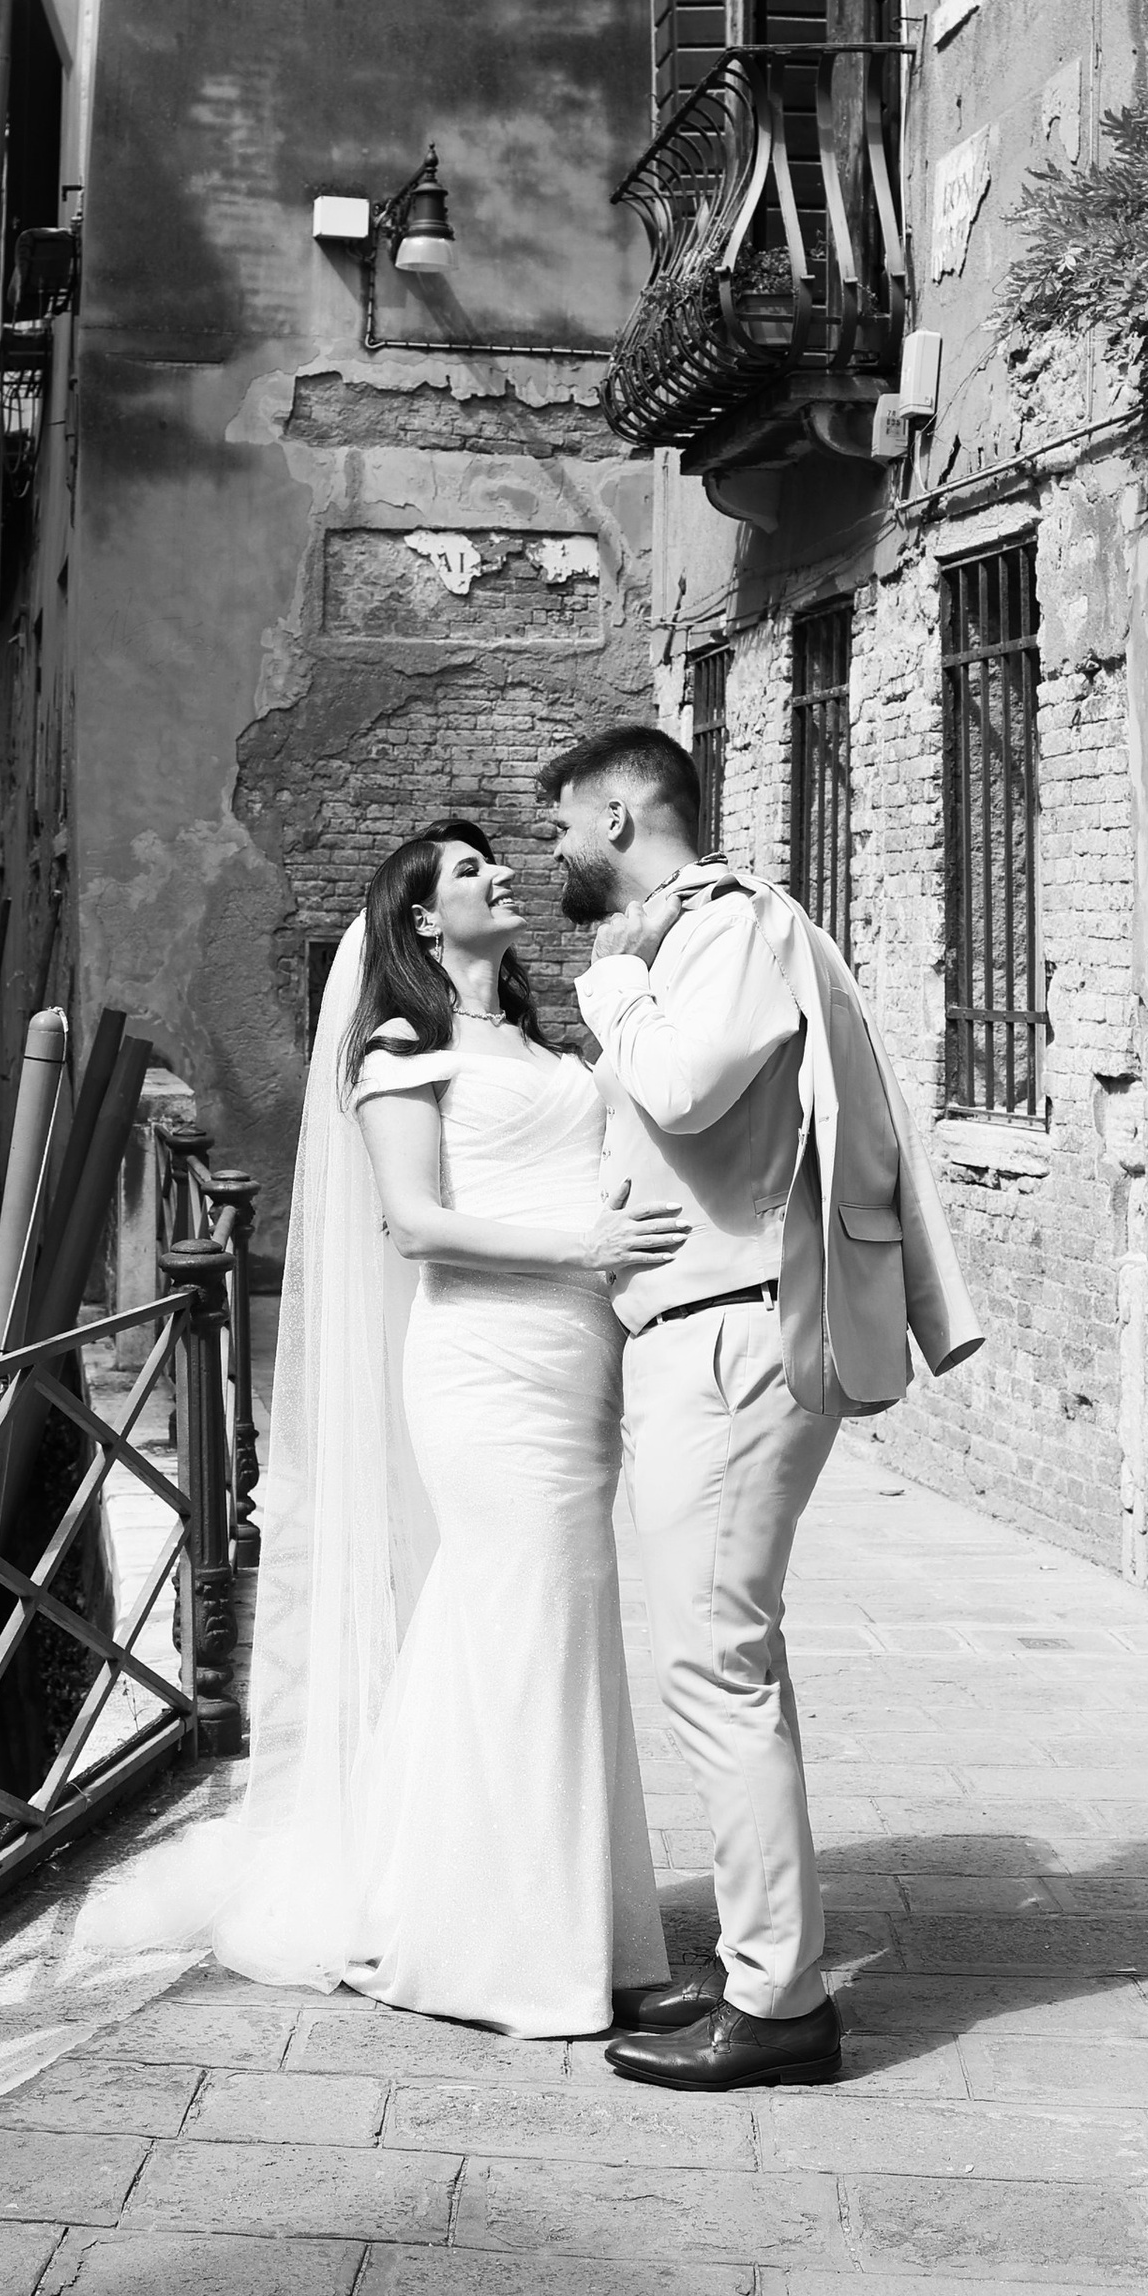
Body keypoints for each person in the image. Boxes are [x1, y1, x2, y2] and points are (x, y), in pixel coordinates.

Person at [96, 817, 686, 2035]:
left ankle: (565, 1927)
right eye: (468, 871)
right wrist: (586, 1245)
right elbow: (415, 1224)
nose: (499, 876)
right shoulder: (397, 1052)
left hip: (576, 1363)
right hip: (483, 1363)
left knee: (550, 1631)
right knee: (513, 1621)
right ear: (420, 919)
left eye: (494, 862)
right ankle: (491, 1949)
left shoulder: (531, 1038)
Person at [542, 723, 980, 2095]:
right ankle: (757, 1967)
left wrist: (612, 989)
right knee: (727, 1656)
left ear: (621, 814)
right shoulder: (690, 939)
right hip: (710, 1334)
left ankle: (781, 2002)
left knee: (713, 1664)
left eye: (563, 822)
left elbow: (684, 1082)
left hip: (734, 1343)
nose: (552, 848)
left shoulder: (722, 927)